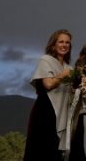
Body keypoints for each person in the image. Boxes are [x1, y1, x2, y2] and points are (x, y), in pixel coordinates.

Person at [24, 29, 73, 161]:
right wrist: (63, 75)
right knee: (41, 152)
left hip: (62, 116)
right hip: (45, 114)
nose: (64, 45)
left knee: (56, 154)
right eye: (61, 42)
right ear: (53, 45)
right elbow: (48, 84)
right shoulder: (46, 60)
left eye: (67, 42)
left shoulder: (70, 68)